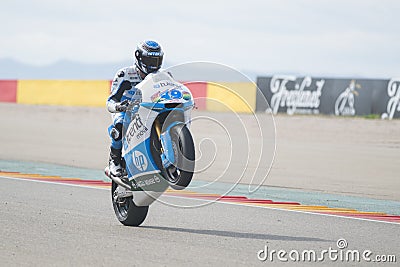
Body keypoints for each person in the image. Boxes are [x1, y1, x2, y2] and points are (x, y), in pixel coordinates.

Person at [106, 40, 164, 177]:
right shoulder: (124, 75)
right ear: (139, 57)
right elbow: (111, 101)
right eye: (149, 60)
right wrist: (119, 106)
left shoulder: (162, 77)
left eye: (156, 61)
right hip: (127, 112)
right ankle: (114, 160)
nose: (153, 66)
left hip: (151, 110)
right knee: (120, 125)